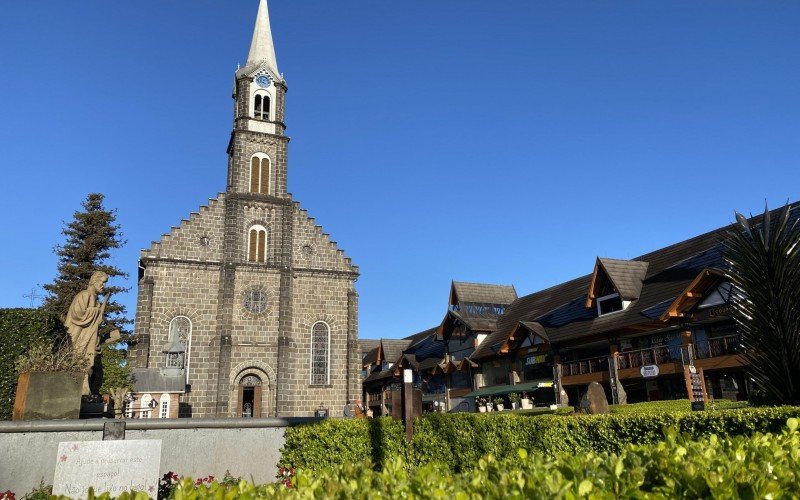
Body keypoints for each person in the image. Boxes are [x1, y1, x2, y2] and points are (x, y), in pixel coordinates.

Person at [65, 271, 109, 394]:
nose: (103, 286)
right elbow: (79, 315)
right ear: (94, 281)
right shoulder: (84, 295)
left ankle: (86, 392)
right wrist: (97, 312)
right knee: (82, 365)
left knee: (90, 367)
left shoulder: (95, 300)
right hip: (79, 338)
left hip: (89, 338)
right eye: (102, 282)